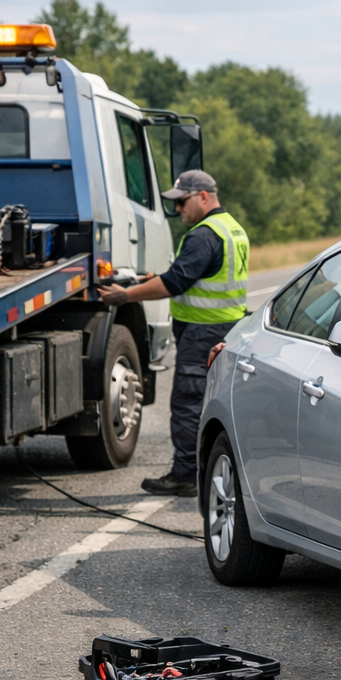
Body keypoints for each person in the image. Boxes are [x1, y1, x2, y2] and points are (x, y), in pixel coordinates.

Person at [97, 169, 248, 498]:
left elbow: (176, 282)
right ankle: (210, 472)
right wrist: (153, 279)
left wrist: (126, 295)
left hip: (202, 335)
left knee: (187, 404)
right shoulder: (232, 229)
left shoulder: (203, 235)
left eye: (182, 201)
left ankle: (185, 475)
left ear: (203, 196)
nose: (178, 209)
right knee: (215, 404)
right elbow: (196, 277)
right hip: (226, 329)